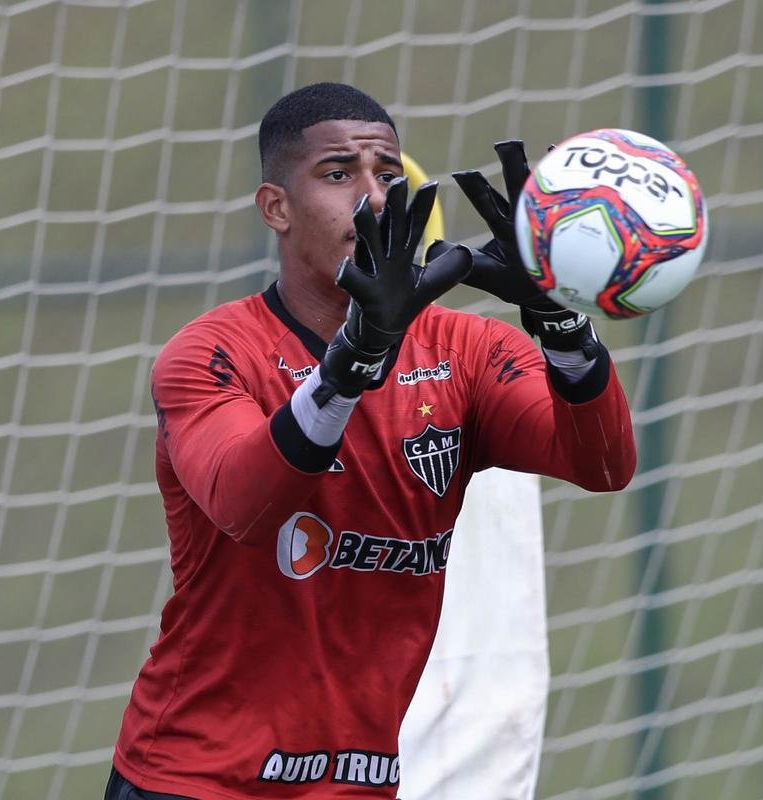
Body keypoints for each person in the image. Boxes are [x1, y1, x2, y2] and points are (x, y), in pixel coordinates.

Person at [106, 82, 636, 800]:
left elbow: (601, 464)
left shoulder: (466, 351)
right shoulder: (210, 353)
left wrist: (562, 325)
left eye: (387, 173)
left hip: (360, 787)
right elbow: (245, 504)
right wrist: (357, 357)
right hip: (195, 779)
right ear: (276, 208)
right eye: (337, 174)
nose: (373, 197)